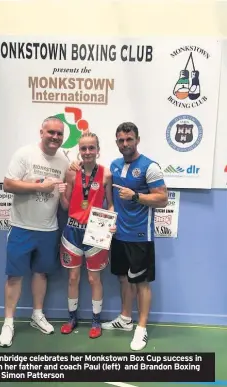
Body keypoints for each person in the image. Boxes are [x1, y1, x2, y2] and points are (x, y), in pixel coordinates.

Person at [0, 117, 69, 347]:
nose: (55, 137)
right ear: (41, 132)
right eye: (51, 132)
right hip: (21, 227)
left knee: (41, 273)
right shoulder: (24, 154)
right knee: (15, 275)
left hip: (49, 228)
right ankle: (8, 322)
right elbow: (8, 184)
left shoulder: (64, 160)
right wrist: (40, 186)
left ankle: (37, 315)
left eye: (59, 134)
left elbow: (68, 188)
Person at [101, 122, 168, 351]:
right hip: (119, 234)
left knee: (141, 283)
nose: (125, 144)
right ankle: (125, 319)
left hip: (140, 235)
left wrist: (136, 196)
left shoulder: (150, 167)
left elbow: (162, 199)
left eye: (129, 139)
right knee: (123, 278)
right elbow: (108, 186)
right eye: (121, 140)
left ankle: (141, 329)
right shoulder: (115, 164)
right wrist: (111, 206)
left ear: (137, 140)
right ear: (117, 142)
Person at [59, 132, 114, 339]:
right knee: (73, 278)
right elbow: (65, 205)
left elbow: (110, 203)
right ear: (79, 151)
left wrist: (112, 222)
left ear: (98, 150)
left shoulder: (106, 174)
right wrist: (60, 192)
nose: (88, 152)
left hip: (96, 231)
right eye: (83, 148)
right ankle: (72, 318)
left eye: (91, 148)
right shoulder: (71, 173)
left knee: (94, 279)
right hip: (72, 230)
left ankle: (96, 321)